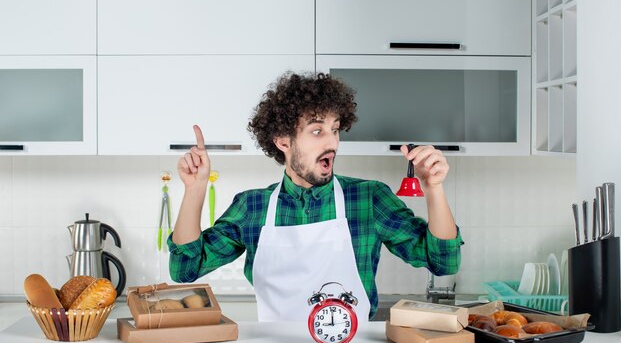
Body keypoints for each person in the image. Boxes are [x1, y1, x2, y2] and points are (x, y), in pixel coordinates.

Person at [168, 72, 462, 322]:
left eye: (335, 130)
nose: (332, 142)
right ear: (283, 141)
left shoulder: (368, 198)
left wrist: (433, 189)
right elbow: (185, 270)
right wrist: (194, 190)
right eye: (317, 131)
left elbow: (443, 262)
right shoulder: (252, 207)